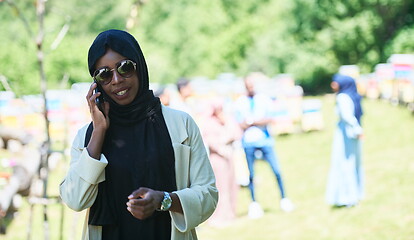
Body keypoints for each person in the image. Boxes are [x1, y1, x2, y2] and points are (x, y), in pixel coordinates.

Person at [59, 29, 218, 240]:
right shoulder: (88, 136)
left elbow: (208, 195)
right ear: (96, 83)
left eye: (125, 68)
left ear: (140, 66)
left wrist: (164, 200)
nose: (116, 80)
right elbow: (74, 199)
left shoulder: (181, 124)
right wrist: (99, 132)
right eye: (105, 74)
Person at [235, 74, 294, 218]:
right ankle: (254, 203)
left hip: (265, 140)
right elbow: (239, 122)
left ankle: (284, 199)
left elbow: (270, 118)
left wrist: (253, 122)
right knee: (251, 174)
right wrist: (250, 122)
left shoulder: (263, 99)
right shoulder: (240, 102)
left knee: (276, 171)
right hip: (248, 142)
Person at [199, 97, 241, 227]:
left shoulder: (227, 119)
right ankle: (219, 216)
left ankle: (231, 213)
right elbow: (209, 140)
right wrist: (222, 145)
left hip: (229, 156)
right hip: (217, 158)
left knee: (231, 184)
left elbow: (237, 133)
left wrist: (226, 127)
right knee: (220, 187)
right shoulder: (208, 121)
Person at [326, 74, 364, 207]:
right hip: (352, 133)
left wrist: (356, 128)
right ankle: (354, 195)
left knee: (345, 163)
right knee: (353, 163)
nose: (332, 85)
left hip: (346, 134)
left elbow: (347, 116)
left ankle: (348, 197)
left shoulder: (342, 97)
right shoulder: (351, 95)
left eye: (335, 82)